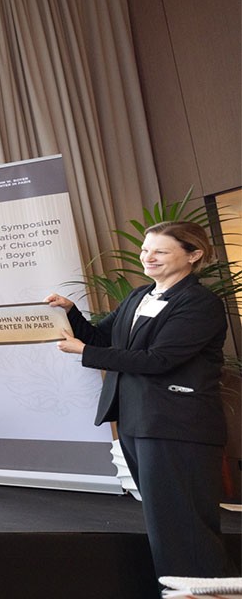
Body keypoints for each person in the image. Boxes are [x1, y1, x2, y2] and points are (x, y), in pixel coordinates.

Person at [48, 221, 234, 578]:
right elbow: (104, 340)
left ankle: (206, 589)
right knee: (166, 522)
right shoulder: (139, 296)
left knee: (186, 525)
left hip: (177, 425)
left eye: (160, 251)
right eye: (146, 249)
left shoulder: (200, 303)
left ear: (194, 255)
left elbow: (159, 360)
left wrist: (83, 351)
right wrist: (70, 313)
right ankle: (180, 587)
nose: (148, 257)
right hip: (138, 421)